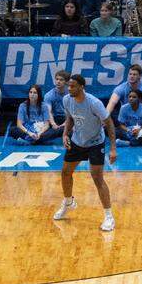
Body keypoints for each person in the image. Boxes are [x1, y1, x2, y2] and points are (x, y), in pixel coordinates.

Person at [55, 74, 117, 231]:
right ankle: (68, 202)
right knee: (65, 172)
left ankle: (109, 217)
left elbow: (109, 123)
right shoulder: (67, 100)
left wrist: (113, 148)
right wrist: (64, 135)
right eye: (68, 86)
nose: (69, 89)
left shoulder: (94, 103)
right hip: (77, 141)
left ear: (81, 87)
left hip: (96, 143)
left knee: (97, 178)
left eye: (73, 86)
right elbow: (70, 118)